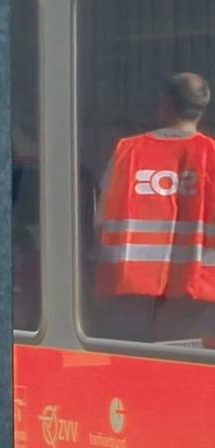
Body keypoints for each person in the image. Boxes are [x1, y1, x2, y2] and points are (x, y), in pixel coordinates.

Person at [96, 72, 215, 341]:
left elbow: (100, 221)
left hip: (129, 291)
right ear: (202, 109)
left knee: (132, 372)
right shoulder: (212, 155)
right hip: (197, 294)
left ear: (164, 103)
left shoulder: (128, 151)